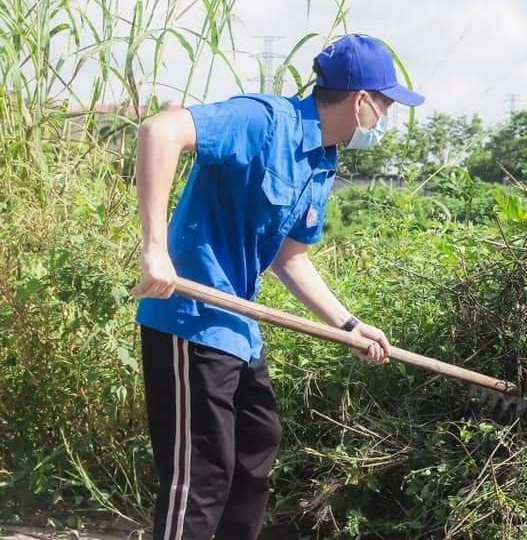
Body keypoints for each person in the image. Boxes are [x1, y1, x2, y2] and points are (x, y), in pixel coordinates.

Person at [130, 34, 424, 540]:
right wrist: (155, 248)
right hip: (189, 319)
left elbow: (291, 258)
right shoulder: (263, 122)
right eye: (386, 105)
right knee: (201, 476)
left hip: (237, 329)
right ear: (360, 101)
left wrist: (350, 325)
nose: (385, 118)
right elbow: (159, 131)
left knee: (254, 455)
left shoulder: (322, 161)